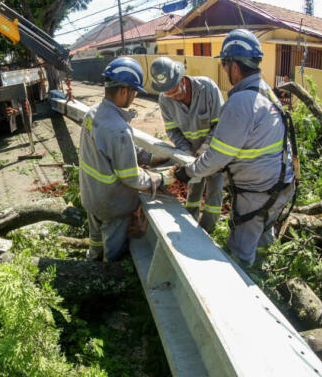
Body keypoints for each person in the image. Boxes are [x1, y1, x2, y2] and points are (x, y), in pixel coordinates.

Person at [173, 29, 296, 265]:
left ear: (234, 66)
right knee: (262, 237)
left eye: (224, 64)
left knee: (240, 253)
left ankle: (246, 286)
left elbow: (216, 158)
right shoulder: (265, 91)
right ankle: (263, 279)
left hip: (257, 193)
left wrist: (187, 172)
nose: (224, 70)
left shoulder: (240, 102)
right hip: (281, 186)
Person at [79, 57, 166, 262]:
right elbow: (131, 178)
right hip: (112, 203)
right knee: (113, 250)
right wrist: (159, 179)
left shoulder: (93, 113)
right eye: (134, 92)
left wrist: (150, 157)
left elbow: (113, 149)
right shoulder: (118, 129)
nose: (134, 97)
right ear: (124, 91)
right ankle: (107, 278)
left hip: (91, 195)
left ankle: (91, 262)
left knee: (96, 239)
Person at [150, 56, 224, 232]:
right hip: (190, 154)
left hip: (214, 151)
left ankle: (208, 230)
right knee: (194, 189)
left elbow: (221, 125)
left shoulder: (207, 88)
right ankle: (190, 225)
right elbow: (172, 131)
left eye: (176, 92)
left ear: (182, 79)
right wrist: (186, 152)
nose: (174, 98)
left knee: (215, 191)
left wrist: (204, 149)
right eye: (169, 94)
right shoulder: (165, 99)